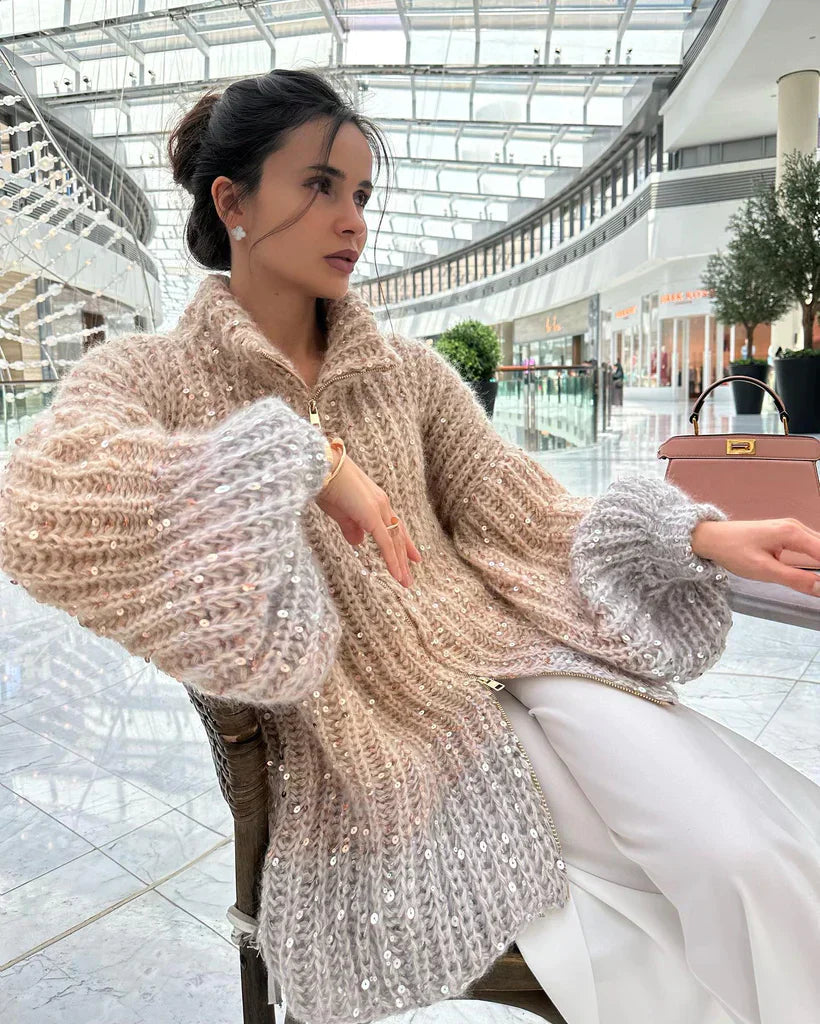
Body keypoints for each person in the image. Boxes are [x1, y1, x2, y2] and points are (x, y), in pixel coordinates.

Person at [1, 69, 819, 1024]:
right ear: (232, 201)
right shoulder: (154, 374)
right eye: (319, 186)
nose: (352, 221)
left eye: (360, 193)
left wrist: (701, 533)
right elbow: (41, 499)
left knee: (749, 854)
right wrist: (300, 459)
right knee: (659, 925)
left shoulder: (407, 373)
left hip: (520, 664)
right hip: (380, 733)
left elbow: (525, 510)